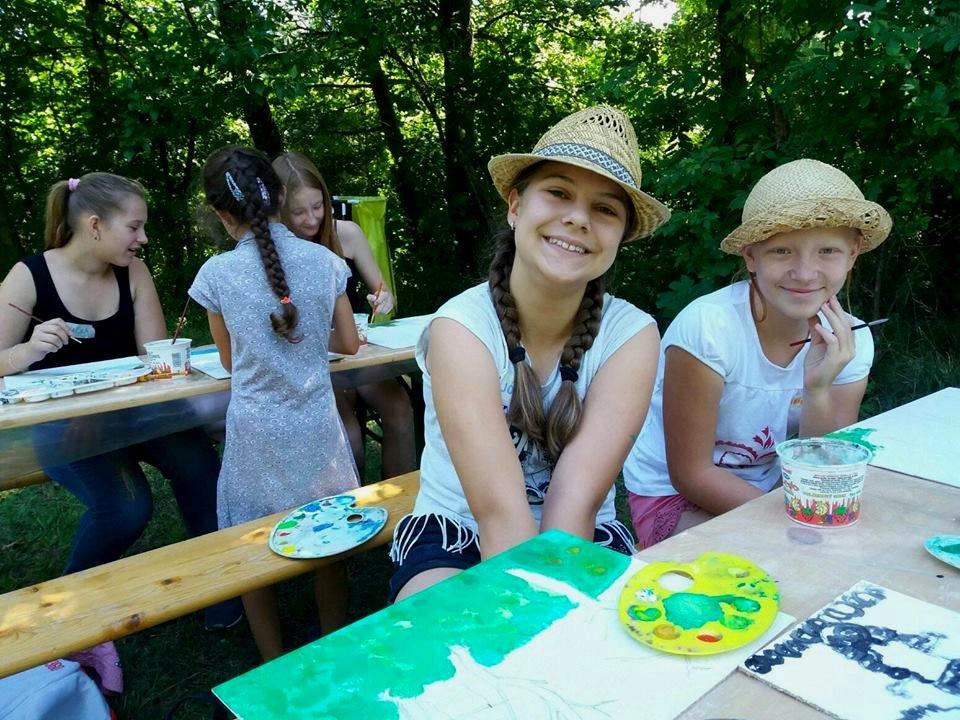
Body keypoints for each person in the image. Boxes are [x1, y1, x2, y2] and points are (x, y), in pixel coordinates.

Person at [388, 106, 669, 602]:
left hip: (582, 532)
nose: (578, 218)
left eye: (605, 209)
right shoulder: (461, 329)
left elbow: (575, 508)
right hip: (462, 529)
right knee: (441, 636)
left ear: (620, 237)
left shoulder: (633, 335)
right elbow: (499, 517)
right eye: (558, 192)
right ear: (516, 206)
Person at [0, 172, 240, 633]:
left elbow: (154, 361)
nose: (143, 239)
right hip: (61, 424)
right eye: (134, 227)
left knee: (203, 472)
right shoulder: (28, 276)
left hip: (135, 415)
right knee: (127, 508)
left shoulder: (133, 271)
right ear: (94, 226)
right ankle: (60, 619)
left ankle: (222, 592)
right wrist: (27, 352)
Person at [623, 158, 891, 549]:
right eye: (782, 251)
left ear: (852, 256)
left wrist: (817, 389)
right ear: (751, 256)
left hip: (777, 494)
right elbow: (691, 474)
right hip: (674, 494)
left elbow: (821, 469)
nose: (805, 272)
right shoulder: (709, 328)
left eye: (828, 251)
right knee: (763, 572)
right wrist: (792, 528)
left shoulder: (853, 341)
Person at [189, 146, 360, 661]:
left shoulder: (215, 276)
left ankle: (271, 658)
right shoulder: (326, 262)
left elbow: (227, 360)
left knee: (249, 545)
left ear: (221, 215)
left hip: (255, 435)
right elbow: (349, 343)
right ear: (281, 196)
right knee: (330, 541)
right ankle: (333, 643)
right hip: (317, 431)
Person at [272, 151, 416, 480]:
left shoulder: (346, 233)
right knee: (348, 435)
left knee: (399, 409)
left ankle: (402, 510)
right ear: (280, 210)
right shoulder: (274, 250)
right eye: (298, 212)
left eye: (317, 207)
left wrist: (383, 299)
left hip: (357, 353)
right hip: (312, 360)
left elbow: (385, 294)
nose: (311, 219)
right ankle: (353, 517)